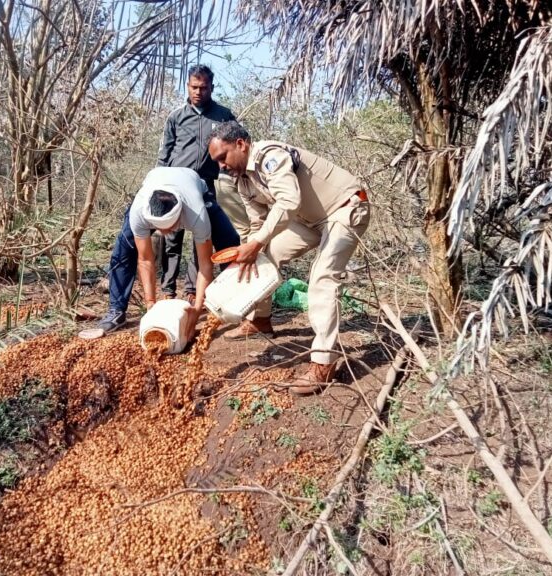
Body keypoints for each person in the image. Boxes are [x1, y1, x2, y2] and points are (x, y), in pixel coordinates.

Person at [207, 121, 371, 394]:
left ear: (240, 144)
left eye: (222, 157)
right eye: (216, 162)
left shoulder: (270, 157)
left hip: (345, 208)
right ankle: (261, 320)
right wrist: (248, 251)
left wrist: (256, 242)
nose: (221, 166)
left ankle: (324, 362)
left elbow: (288, 202)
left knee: (322, 278)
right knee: (263, 257)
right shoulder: (243, 181)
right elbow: (257, 224)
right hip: (309, 222)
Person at [97, 167, 239, 334]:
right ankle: (116, 310)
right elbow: (145, 260)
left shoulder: (197, 214)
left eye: (170, 227)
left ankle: (230, 303)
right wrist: (150, 303)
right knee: (123, 250)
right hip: (154, 183)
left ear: (179, 216)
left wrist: (197, 309)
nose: (165, 233)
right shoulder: (139, 212)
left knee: (229, 242)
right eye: (159, 228)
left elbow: (205, 265)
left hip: (195, 188)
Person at [156, 64, 241, 304]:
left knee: (201, 238)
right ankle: (168, 288)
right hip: (173, 186)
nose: (198, 92)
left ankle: (193, 290)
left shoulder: (223, 115)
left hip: (204, 186)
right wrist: (159, 182)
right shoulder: (176, 116)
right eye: (194, 87)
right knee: (171, 237)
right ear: (187, 86)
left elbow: (236, 144)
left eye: (204, 88)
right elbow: (165, 152)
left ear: (212, 88)